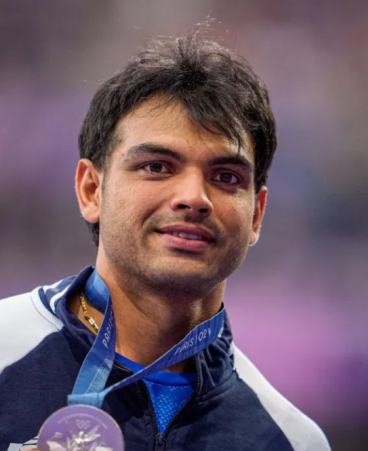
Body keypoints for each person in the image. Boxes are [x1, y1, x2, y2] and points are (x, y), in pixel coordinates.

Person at [0, 30, 330, 451]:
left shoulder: (291, 441)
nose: (194, 197)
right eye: (157, 167)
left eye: (226, 177)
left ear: (256, 215)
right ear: (91, 190)